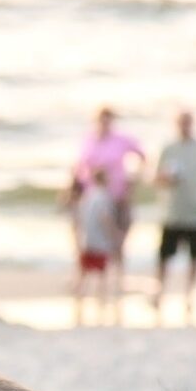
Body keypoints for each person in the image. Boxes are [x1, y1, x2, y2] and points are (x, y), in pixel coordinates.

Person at [67, 108, 142, 325]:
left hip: (117, 197)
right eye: (102, 120)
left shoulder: (122, 140)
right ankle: (86, 287)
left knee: (116, 244)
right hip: (92, 198)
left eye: (108, 120)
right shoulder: (88, 141)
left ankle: (117, 283)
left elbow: (142, 156)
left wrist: (132, 182)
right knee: (88, 245)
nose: (105, 124)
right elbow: (78, 168)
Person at [154, 111, 196, 321]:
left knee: (195, 256)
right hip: (173, 211)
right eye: (181, 122)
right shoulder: (169, 149)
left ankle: (189, 295)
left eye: (187, 122)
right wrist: (167, 179)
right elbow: (157, 179)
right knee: (165, 255)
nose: (184, 126)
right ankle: (160, 292)